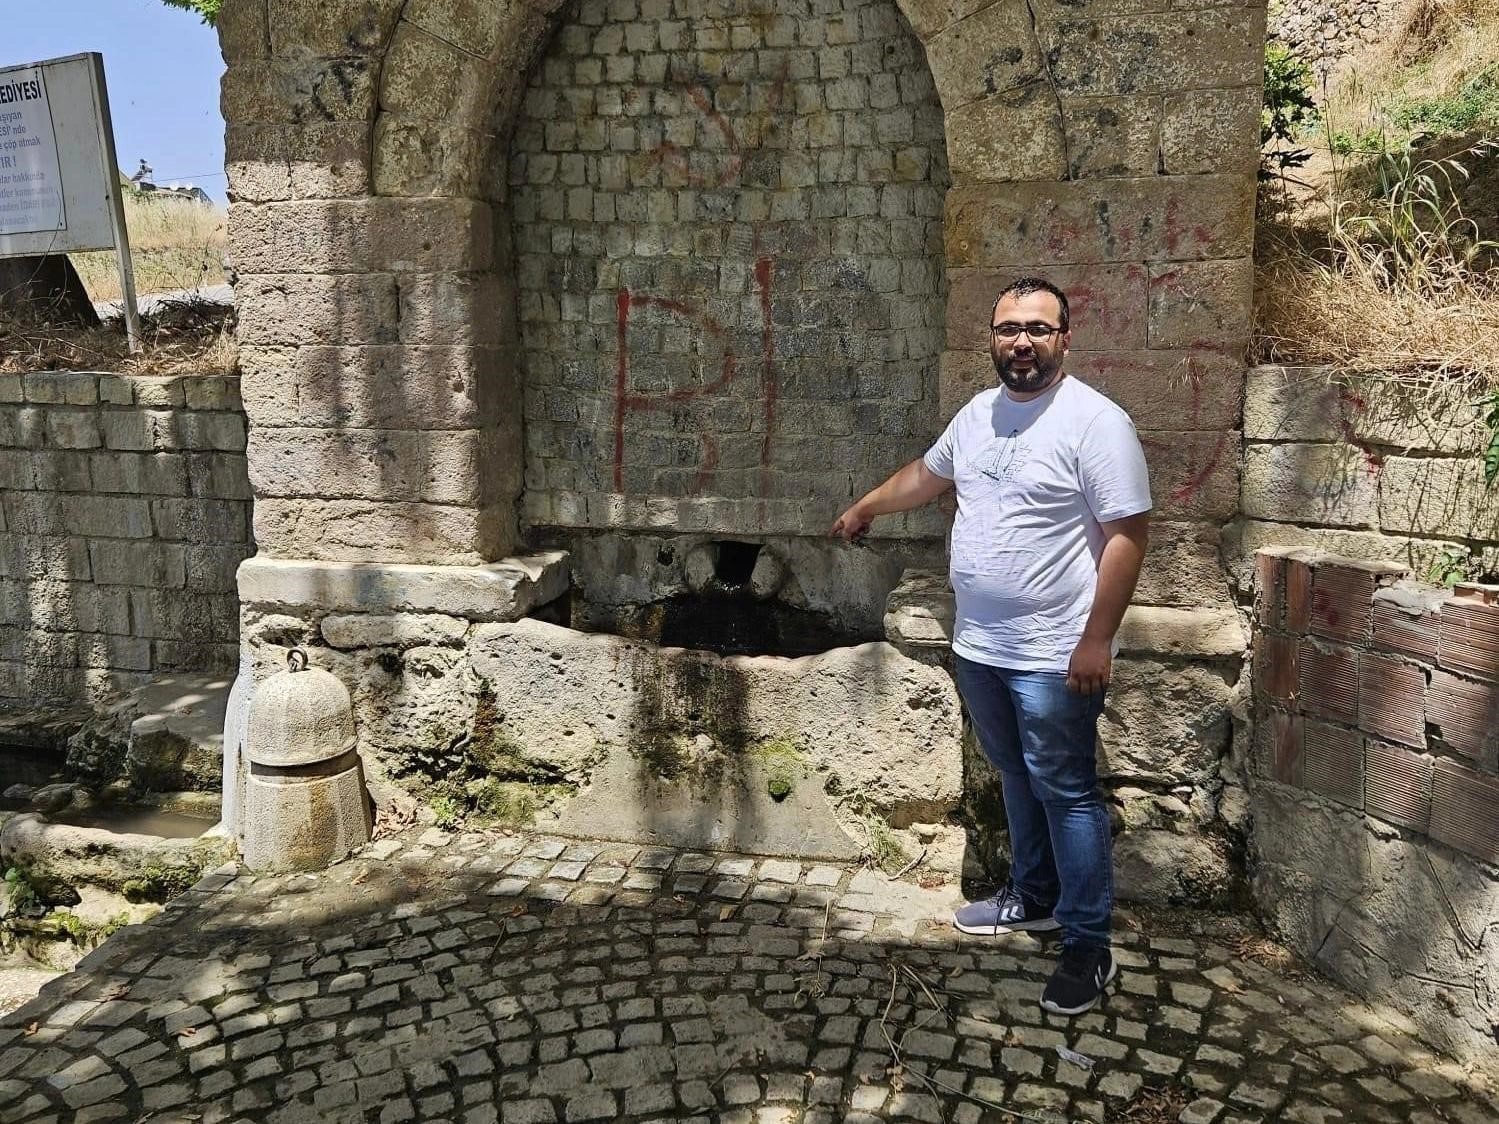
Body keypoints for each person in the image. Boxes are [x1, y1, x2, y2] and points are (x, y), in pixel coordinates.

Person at [831, 277, 1151, 1015]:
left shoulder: (1095, 422)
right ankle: (1032, 896)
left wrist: (1096, 639)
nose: (1022, 342)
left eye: (1038, 328)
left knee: (1066, 790)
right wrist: (865, 506)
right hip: (979, 644)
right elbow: (927, 474)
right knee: (1014, 773)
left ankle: (1086, 944)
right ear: (993, 338)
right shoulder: (977, 415)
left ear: (1064, 338)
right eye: (1009, 329)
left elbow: (1127, 536)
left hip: (1054, 652)